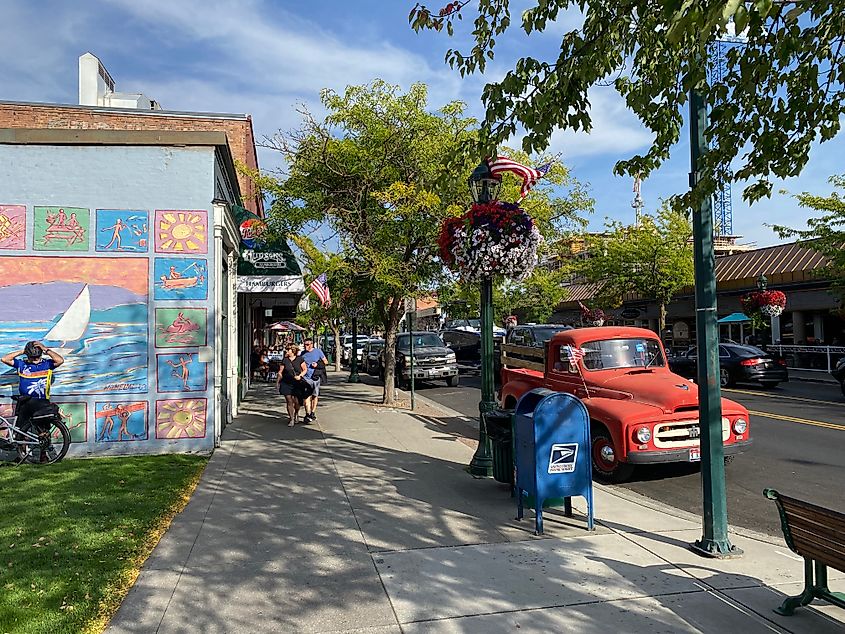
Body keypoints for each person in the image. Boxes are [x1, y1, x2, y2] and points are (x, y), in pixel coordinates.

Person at [1, 342, 64, 462]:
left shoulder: (47, 364)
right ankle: (21, 455)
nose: (35, 360)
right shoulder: (22, 364)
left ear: (40, 355)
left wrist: (46, 349)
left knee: (43, 430)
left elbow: (60, 360)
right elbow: (4, 359)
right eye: (32, 357)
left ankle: (43, 455)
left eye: (36, 357)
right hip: (25, 402)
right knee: (20, 430)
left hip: (41, 402)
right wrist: (22, 351)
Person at [276, 344, 309, 426]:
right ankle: (291, 419)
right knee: (289, 400)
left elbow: (305, 369)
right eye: (286, 349)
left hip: (296, 382)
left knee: (296, 401)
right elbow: (280, 372)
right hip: (286, 382)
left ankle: (296, 413)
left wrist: (300, 376)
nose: (286, 351)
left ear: (293, 351)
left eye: (288, 349)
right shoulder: (285, 360)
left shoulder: (300, 359)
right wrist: (277, 382)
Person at [301, 338, 329, 423]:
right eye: (305, 344)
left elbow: (326, 362)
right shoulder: (302, 354)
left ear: (311, 344)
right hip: (306, 377)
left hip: (315, 376)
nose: (306, 346)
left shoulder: (318, 351)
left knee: (314, 395)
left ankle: (312, 412)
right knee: (306, 396)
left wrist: (317, 364)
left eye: (308, 344)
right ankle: (307, 413)